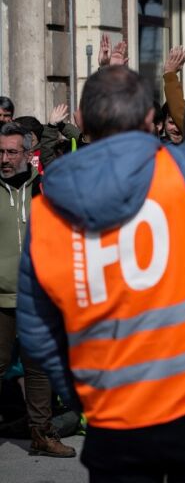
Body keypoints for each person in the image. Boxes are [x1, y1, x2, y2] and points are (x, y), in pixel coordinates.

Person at [16, 0, 185, 482]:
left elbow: (36, 331)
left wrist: (83, 390)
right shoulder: (182, 175)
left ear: (80, 122)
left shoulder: (48, 210)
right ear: (153, 120)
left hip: (118, 415)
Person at [0, 122, 75, 457]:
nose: (4, 158)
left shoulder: (44, 189)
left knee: (39, 369)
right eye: (0, 152)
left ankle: (41, 435)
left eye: (11, 152)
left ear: (28, 155)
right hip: (1, 297)